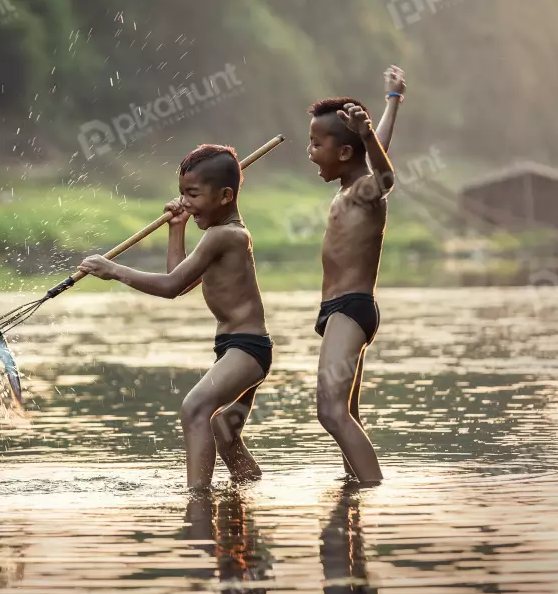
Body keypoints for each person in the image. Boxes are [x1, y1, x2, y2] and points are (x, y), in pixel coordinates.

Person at [78, 144, 272, 489]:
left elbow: (169, 286)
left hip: (247, 348)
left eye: (193, 194)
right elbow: (181, 281)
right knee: (223, 432)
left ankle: (198, 499)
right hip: (235, 347)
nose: (184, 202)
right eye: (182, 193)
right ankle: (248, 496)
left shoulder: (224, 236)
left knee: (195, 408)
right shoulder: (221, 235)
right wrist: (177, 227)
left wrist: (114, 270)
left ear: (225, 196)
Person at [306, 65, 405, 484]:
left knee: (330, 410)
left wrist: (365, 133)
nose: (310, 151)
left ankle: (371, 493)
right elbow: (373, 149)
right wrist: (392, 101)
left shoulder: (366, 189)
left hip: (351, 309)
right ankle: (354, 501)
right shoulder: (350, 184)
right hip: (340, 310)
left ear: (343, 153)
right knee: (348, 413)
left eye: (316, 144)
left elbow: (384, 174)